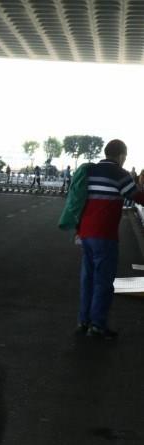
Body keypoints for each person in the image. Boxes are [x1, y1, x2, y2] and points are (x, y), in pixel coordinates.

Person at [76, 139, 144, 338]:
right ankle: (97, 325)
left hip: (86, 233)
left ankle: (84, 321)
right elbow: (138, 197)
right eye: (125, 156)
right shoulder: (120, 174)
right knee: (103, 281)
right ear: (121, 155)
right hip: (104, 235)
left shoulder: (90, 171)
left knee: (88, 279)